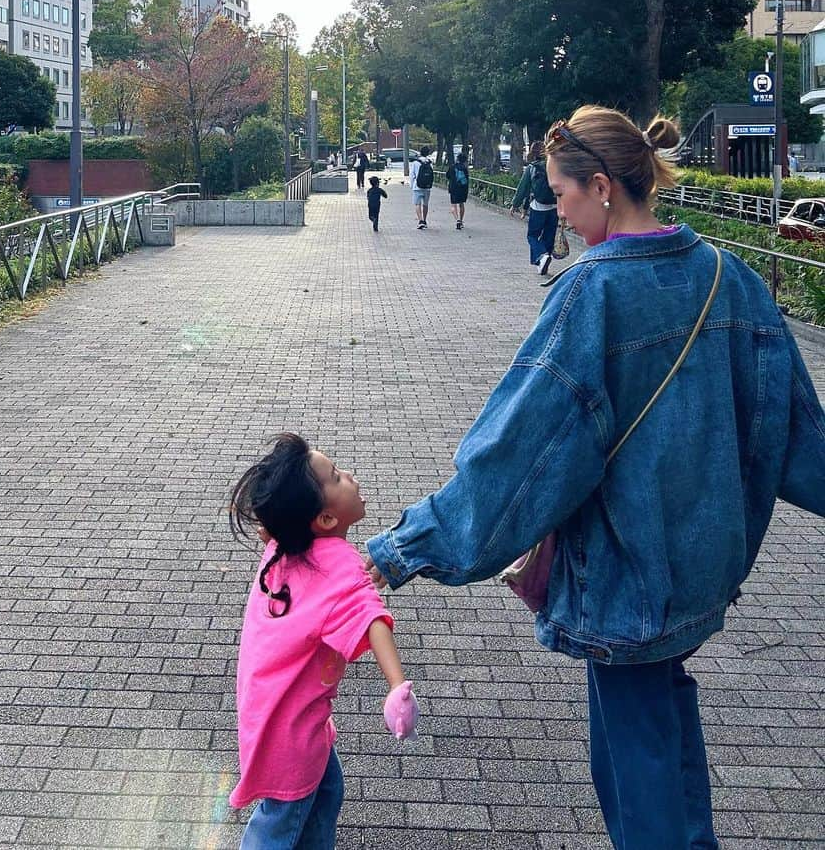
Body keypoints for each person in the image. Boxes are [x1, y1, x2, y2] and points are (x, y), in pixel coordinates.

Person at [364, 105, 825, 850]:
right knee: (670, 729)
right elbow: (797, 434)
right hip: (700, 570)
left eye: (564, 195)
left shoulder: (592, 294)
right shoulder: (727, 277)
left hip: (624, 579)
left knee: (637, 770)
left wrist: (400, 549)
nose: (560, 213)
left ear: (603, 186)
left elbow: (516, 460)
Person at [229, 434, 419, 848]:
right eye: (336, 476)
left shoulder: (286, 544)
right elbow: (372, 619)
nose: (349, 475)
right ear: (327, 520)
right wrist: (397, 688)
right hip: (292, 733)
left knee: (327, 791)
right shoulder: (340, 566)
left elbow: (271, 532)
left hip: (277, 711)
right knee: (278, 826)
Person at [511, 139, 558, 274]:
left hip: (538, 206)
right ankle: (542, 263)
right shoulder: (554, 166)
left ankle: (542, 256)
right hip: (554, 206)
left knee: (532, 235)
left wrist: (515, 204)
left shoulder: (532, 168)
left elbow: (523, 188)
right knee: (549, 236)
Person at [409, 145, 435, 229]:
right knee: (425, 204)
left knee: (417, 204)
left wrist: (412, 185)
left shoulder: (415, 163)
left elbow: (412, 175)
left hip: (417, 186)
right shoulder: (430, 163)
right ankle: (424, 220)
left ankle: (420, 221)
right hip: (427, 187)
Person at [447, 151, 470, 229]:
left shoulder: (453, 167)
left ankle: (457, 220)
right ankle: (461, 219)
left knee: (453, 205)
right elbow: (467, 179)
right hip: (463, 189)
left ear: (457, 159)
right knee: (461, 204)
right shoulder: (465, 168)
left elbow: (447, 176)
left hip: (453, 188)